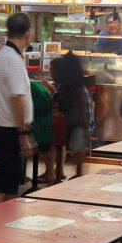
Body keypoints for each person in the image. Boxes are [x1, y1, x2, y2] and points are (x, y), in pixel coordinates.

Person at [0, 13, 36, 203]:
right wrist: (24, 135)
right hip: (9, 131)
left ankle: (3, 227)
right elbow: (17, 98)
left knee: (9, 185)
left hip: (1, 128)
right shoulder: (12, 60)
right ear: (28, 35)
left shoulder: (1, 56)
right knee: (2, 184)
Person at [52, 51, 92, 179]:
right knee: (69, 145)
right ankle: (67, 173)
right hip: (76, 119)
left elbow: (79, 102)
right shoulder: (76, 82)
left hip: (77, 120)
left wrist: (83, 120)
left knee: (64, 144)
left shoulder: (71, 84)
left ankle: (75, 174)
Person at [30, 78, 56, 183]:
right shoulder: (36, 84)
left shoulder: (31, 85)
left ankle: (50, 174)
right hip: (45, 114)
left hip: (39, 115)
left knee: (44, 144)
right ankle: (50, 172)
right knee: (47, 143)